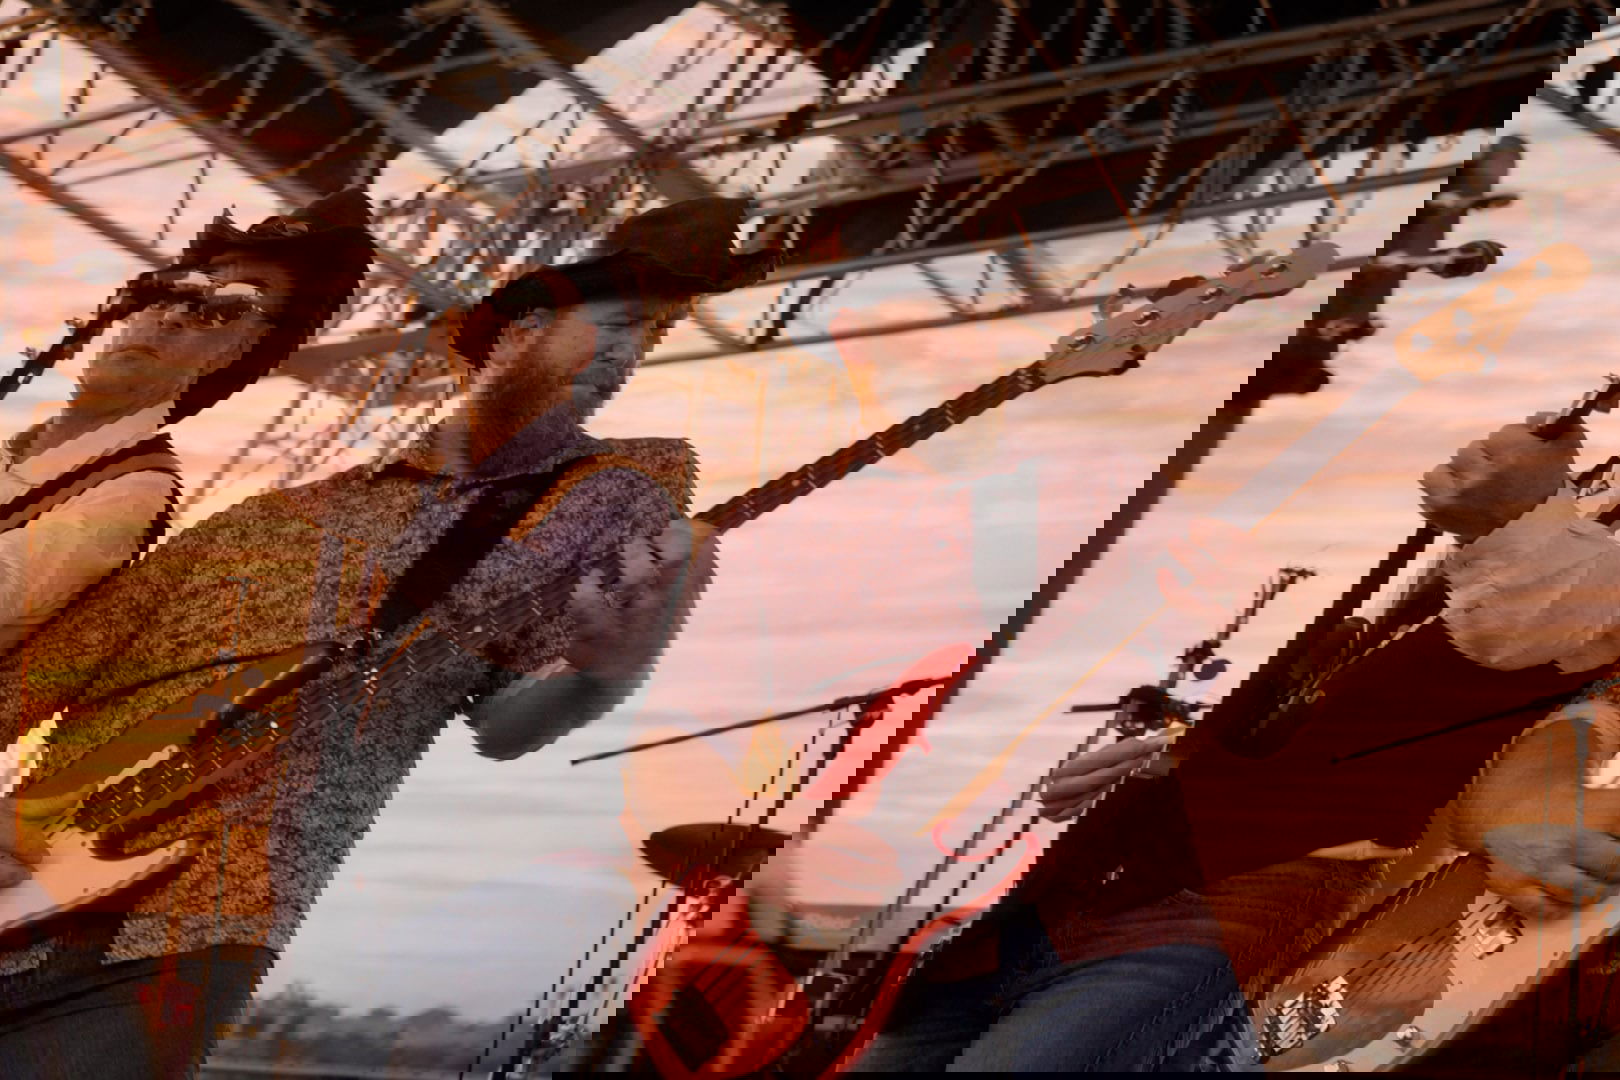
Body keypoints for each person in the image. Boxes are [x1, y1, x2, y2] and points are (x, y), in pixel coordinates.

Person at [0, 196, 777, 1078]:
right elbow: (42, 673)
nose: (618, 363)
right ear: (509, 336)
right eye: (603, 333)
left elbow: (507, 729)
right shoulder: (268, 517)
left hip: (211, 910)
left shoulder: (606, 502)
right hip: (30, 858)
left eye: (642, 342)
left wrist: (610, 671)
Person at [841, 412, 1620, 1072]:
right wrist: (1152, 769)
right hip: (1063, 904)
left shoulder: (1563, 595)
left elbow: (1543, 641)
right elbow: (1294, 734)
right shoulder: (1428, 596)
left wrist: (1519, 513)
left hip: (1224, 927)